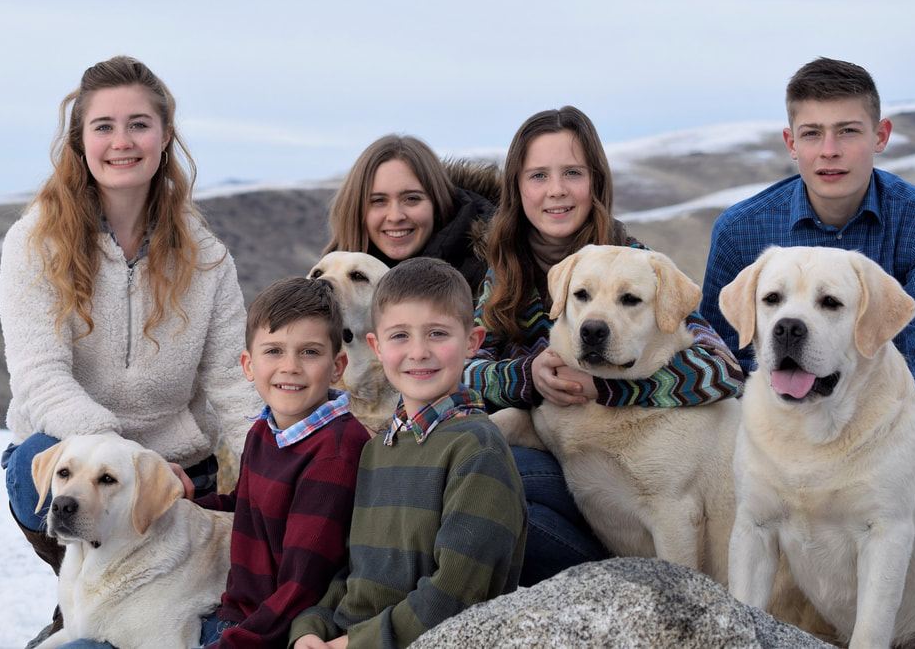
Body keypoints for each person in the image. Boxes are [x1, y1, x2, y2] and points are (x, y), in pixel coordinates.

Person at [0, 55, 262, 646]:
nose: (122, 142)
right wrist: (120, 457)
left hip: (177, 470)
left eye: (139, 124)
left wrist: (261, 475)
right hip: (69, 449)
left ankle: (129, 609)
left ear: (165, 137)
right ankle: (86, 601)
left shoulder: (207, 255)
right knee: (29, 465)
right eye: (104, 126)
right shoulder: (34, 242)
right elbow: (40, 377)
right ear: (80, 140)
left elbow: (232, 383)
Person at [463, 106, 745, 585]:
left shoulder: (637, 263)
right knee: (484, 476)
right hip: (567, 460)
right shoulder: (503, 274)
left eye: (572, 173)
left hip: (613, 475)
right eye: (538, 175)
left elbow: (722, 370)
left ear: (595, 182)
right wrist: (527, 377)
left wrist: (609, 390)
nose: (556, 189)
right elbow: (466, 370)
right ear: (517, 188)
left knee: (513, 483)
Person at [699, 56, 915, 471]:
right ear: (791, 143)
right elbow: (719, 350)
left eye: (848, 131)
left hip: (880, 410)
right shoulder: (741, 229)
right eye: (812, 134)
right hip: (774, 412)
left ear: (880, 135)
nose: (829, 151)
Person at [289, 257, 526, 649]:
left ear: (472, 343)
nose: (418, 352)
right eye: (400, 336)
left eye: (437, 333)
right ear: (376, 347)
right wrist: (312, 629)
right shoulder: (377, 450)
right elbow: (353, 574)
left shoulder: (477, 449)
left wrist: (351, 645)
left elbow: (456, 594)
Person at [187, 277, 372, 648]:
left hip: (273, 633)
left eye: (309, 352)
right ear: (248, 364)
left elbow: (303, 588)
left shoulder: (336, 452)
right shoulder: (264, 431)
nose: (290, 367)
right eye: (273, 351)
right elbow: (246, 507)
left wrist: (233, 642)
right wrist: (177, 508)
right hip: (238, 614)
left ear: (337, 366)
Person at [323, 134, 497, 294]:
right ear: (356, 211)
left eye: (411, 199)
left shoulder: (500, 274)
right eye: (378, 201)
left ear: (438, 203)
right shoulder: (327, 278)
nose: (395, 216)